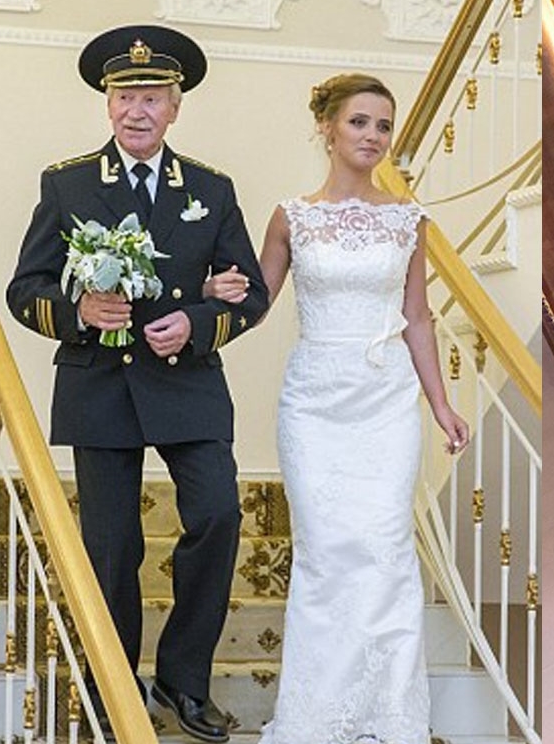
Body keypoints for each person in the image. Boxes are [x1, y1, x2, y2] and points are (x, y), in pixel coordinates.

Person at [6, 25, 269, 744]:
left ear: (175, 106)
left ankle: (184, 681)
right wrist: (80, 313)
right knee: (112, 547)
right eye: (125, 96)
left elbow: (248, 293)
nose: (137, 110)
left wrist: (197, 321)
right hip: (101, 386)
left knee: (217, 516)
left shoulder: (210, 189)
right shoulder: (67, 183)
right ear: (107, 104)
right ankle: (113, 684)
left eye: (152, 96)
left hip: (188, 384)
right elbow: (25, 289)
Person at [204, 73, 469, 744]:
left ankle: (388, 714)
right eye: (359, 122)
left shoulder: (409, 220)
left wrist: (440, 405)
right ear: (327, 127)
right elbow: (256, 303)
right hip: (314, 403)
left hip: (386, 401)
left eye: (383, 126)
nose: (372, 136)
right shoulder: (291, 217)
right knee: (325, 555)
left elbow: (416, 318)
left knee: (384, 548)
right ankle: (318, 715)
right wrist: (208, 293)